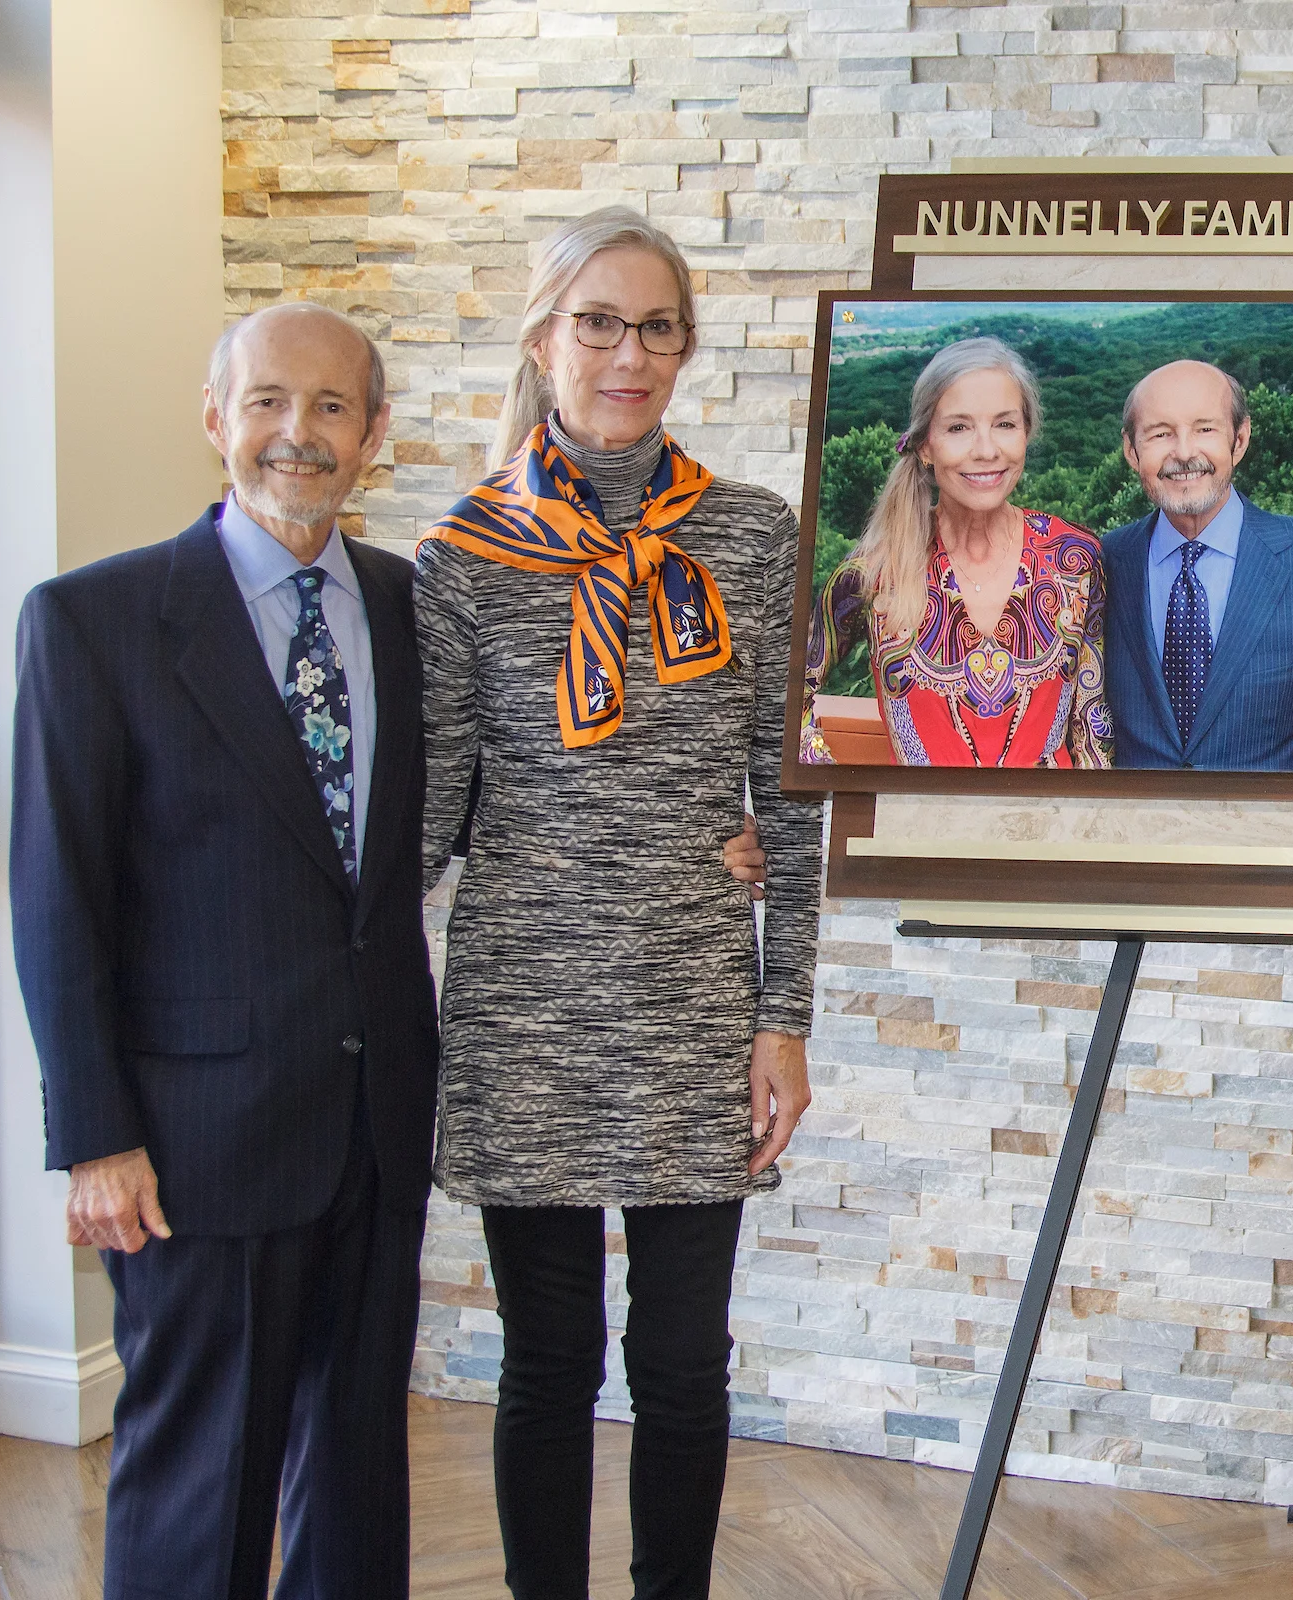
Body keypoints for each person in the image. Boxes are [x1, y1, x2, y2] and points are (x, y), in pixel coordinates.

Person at [418, 207, 820, 1599]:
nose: (629, 353)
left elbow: (796, 805)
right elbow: (432, 817)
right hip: (524, 999)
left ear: (686, 348)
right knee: (546, 1358)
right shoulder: (463, 558)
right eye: (600, 321)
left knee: (681, 1362)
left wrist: (786, 1017)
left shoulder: (756, 540)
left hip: (695, 1000)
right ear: (545, 337)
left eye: (658, 327)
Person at [9, 302, 431, 1599]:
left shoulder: (411, 610)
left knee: (358, 1469)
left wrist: (721, 846)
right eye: (266, 403)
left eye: (332, 409)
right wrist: (96, 1134)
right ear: (216, 420)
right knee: (201, 1474)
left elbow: (465, 819)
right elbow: (53, 892)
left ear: (374, 439)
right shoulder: (96, 620)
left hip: (376, 1115)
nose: (296, 435)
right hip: (197, 1137)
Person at [801, 336, 1111, 767]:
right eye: (959, 428)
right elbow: (787, 686)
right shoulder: (876, 568)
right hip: (915, 832)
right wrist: (836, 792)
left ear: (1027, 433)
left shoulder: (1075, 558)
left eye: (1005, 424)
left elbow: (1091, 721)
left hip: (1050, 830)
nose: (986, 450)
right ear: (925, 445)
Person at [1100, 359, 1293, 771]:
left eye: (1205, 429)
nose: (1184, 453)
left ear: (1239, 439)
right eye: (1161, 434)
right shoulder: (1098, 563)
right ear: (1132, 450)